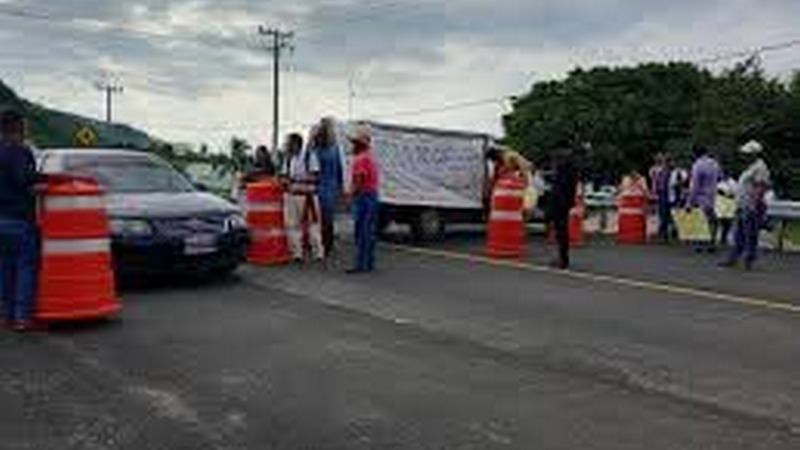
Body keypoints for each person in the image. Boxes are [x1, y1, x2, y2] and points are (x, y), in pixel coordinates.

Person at [0, 109, 40, 332]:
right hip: (19, 218)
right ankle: (22, 317)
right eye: (24, 124)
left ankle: (5, 316)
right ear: (17, 126)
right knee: (25, 267)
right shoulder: (18, 150)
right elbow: (24, 178)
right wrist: (46, 179)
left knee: (5, 269)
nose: (27, 128)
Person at [720, 141, 771, 270]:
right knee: (739, 233)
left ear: (754, 154)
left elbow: (761, 187)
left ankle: (748, 259)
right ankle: (734, 258)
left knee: (750, 233)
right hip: (743, 204)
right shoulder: (751, 167)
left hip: (750, 205)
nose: (744, 156)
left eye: (747, 154)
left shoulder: (760, 167)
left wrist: (755, 203)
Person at [280, 133, 324, 263]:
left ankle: (318, 252)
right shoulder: (288, 159)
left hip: (308, 197)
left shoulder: (309, 156)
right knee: (292, 225)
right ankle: (297, 253)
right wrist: (285, 181)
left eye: (289, 143)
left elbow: (316, 176)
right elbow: (284, 176)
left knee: (313, 225)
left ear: (296, 144)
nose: (287, 146)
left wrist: (297, 179)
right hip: (292, 196)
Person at [310, 118, 345, 259]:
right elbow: (340, 170)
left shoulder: (316, 149)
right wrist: (341, 187)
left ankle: (322, 245)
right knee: (328, 218)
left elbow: (313, 168)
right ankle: (327, 245)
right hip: (331, 187)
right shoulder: (335, 148)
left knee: (318, 218)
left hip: (318, 186)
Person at [347, 127, 380, 274]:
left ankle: (361, 264)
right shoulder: (370, 157)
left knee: (362, 231)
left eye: (354, 143)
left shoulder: (360, 159)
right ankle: (369, 262)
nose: (352, 146)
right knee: (369, 231)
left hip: (363, 196)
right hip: (372, 195)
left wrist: (351, 194)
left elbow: (359, 179)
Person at [686, 145, 722, 252]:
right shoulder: (714, 163)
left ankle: (700, 244)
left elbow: (695, 185)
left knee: (700, 220)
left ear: (695, 154)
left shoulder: (697, 165)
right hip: (712, 196)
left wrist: (690, 202)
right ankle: (712, 242)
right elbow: (720, 177)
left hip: (701, 196)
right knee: (712, 220)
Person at [548, 146, 579, 269]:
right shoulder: (571, 170)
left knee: (561, 231)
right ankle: (562, 257)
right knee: (562, 231)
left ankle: (563, 259)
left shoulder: (562, 171)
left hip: (559, 203)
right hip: (565, 203)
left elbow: (558, 189)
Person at [650, 152, 674, 242]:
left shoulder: (670, 171)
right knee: (663, 214)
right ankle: (664, 234)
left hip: (666, 194)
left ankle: (665, 234)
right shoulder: (658, 170)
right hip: (662, 194)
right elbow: (656, 181)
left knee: (665, 214)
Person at [715, 174, 738, 246]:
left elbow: (735, 193)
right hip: (720, 205)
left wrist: (725, 193)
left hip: (729, 204)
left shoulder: (733, 183)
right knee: (720, 221)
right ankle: (720, 238)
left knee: (728, 222)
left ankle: (724, 238)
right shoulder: (719, 182)